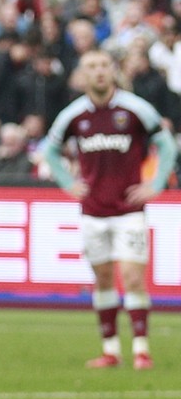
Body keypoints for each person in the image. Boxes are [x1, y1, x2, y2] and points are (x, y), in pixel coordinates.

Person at [45, 49, 176, 369]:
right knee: (103, 279)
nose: (100, 71)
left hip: (128, 210)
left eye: (104, 65)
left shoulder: (135, 109)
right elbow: (49, 149)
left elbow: (167, 144)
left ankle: (142, 350)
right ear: (83, 75)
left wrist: (156, 184)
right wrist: (67, 181)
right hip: (93, 211)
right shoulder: (74, 114)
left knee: (132, 278)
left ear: (113, 71)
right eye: (92, 67)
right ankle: (111, 350)